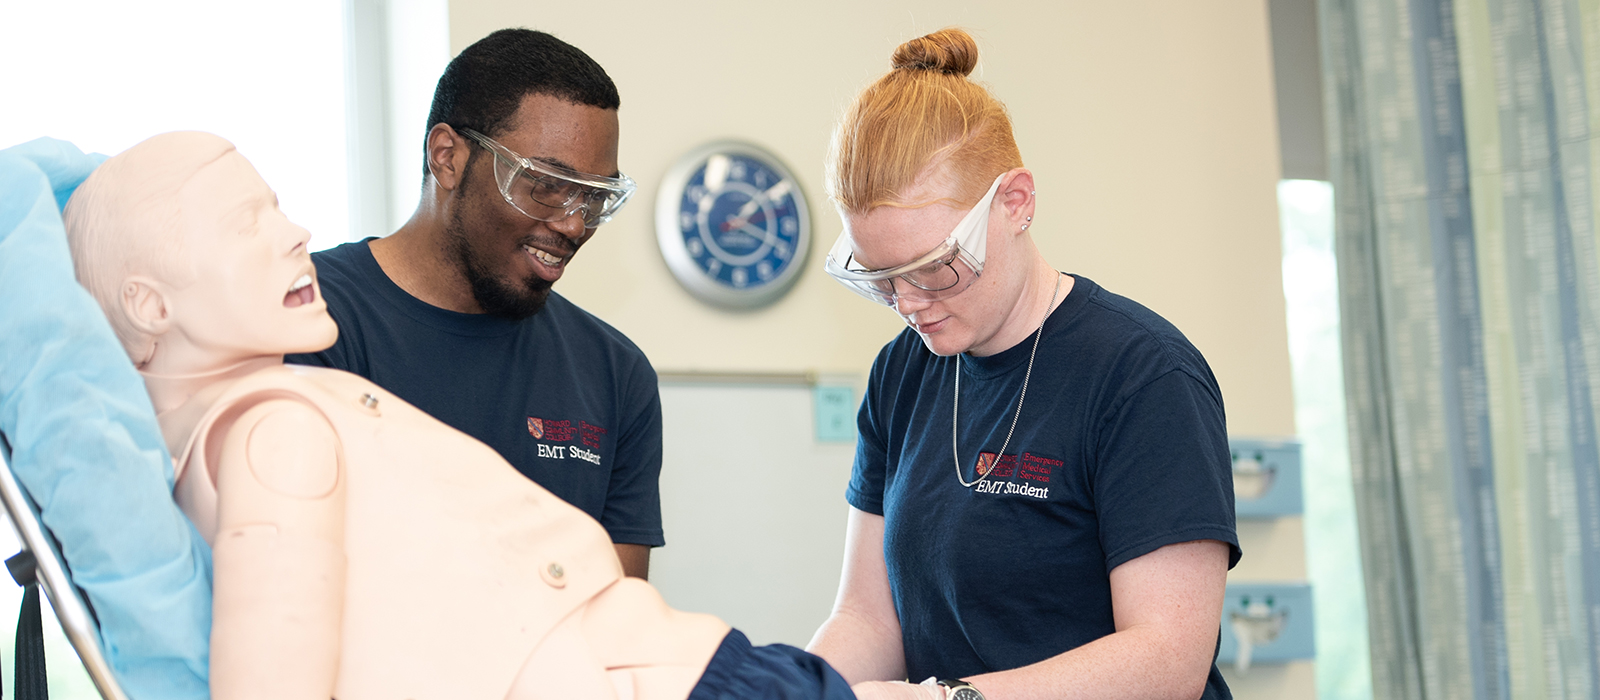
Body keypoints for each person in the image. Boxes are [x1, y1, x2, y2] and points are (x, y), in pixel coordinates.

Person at [62, 129, 857, 700]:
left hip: (653, 670)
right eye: (246, 223)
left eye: (597, 196)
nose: (292, 231)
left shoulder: (609, 368)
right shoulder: (280, 420)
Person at [805, 29, 1240, 700]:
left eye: (935, 268)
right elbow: (868, 617)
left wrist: (947, 699)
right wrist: (794, 689)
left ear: (1015, 204)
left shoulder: (1142, 376)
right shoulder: (902, 374)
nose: (911, 304)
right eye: (883, 279)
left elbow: (1168, 661)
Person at [286, 28, 659, 578]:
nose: (574, 223)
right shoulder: (308, 318)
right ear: (447, 157)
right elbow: (287, 583)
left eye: (596, 196)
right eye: (546, 183)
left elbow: (619, 623)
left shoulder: (614, 374)